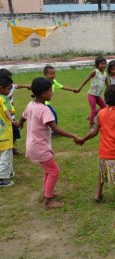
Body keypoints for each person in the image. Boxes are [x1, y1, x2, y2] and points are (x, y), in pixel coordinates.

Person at [18, 77, 78, 208]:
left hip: (33, 145)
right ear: (43, 93)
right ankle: (48, 201)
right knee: (54, 171)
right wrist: (74, 136)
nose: (52, 93)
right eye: (50, 91)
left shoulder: (31, 105)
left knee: (48, 170)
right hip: (40, 147)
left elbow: (23, 116)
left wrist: (19, 124)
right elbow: (55, 128)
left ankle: (47, 193)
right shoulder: (45, 110)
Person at [0, 68, 30, 156]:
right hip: (5, 119)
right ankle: (8, 148)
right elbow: (5, 109)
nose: (11, 82)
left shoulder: (10, 87)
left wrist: (27, 86)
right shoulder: (3, 95)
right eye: (8, 79)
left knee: (14, 133)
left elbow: (17, 86)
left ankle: (11, 147)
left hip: (10, 117)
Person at [43, 65, 78, 136]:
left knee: (50, 115)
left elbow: (62, 87)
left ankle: (51, 130)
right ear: (45, 75)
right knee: (53, 114)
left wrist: (72, 89)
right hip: (43, 103)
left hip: (47, 103)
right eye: (51, 74)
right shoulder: (43, 82)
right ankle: (54, 131)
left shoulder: (53, 81)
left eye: (54, 73)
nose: (53, 75)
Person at [77, 56, 108, 129]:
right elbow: (86, 80)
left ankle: (90, 117)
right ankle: (91, 125)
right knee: (93, 110)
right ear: (97, 65)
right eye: (101, 64)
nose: (103, 65)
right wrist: (79, 88)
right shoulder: (95, 72)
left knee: (104, 107)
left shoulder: (105, 74)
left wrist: (111, 92)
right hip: (91, 95)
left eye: (104, 64)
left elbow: (108, 85)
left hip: (97, 96)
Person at [0, 75, 18, 187]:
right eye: (8, 89)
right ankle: (2, 178)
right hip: (5, 133)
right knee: (6, 155)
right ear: (1, 88)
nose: (9, 91)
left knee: (5, 154)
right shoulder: (4, 98)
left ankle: (9, 172)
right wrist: (12, 121)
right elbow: (8, 111)